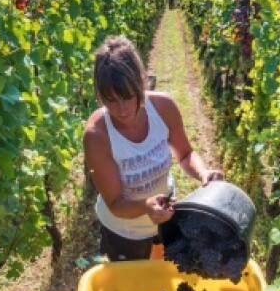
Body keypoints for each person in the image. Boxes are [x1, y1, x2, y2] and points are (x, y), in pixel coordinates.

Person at [84, 36, 223, 262]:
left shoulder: (163, 107)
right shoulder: (97, 135)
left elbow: (186, 154)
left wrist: (203, 173)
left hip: (165, 215)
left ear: (141, 82)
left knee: (162, 276)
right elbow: (116, 203)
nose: (122, 109)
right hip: (124, 230)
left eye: (129, 96)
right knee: (132, 288)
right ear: (100, 95)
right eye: (111, 100)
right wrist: (145, 207)